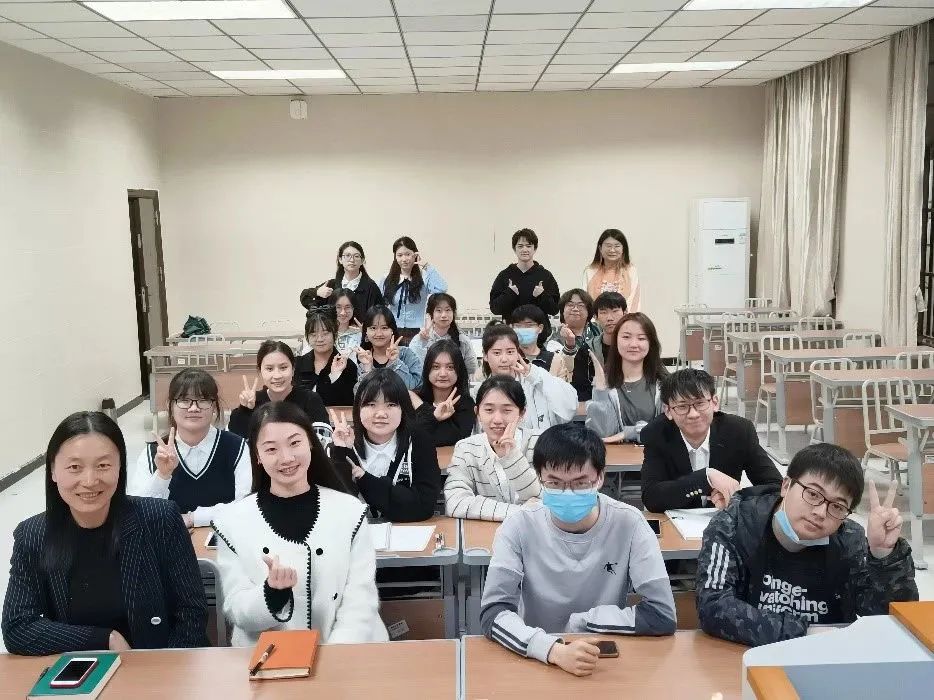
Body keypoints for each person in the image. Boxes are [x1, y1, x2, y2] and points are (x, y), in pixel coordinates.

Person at [2, 412, 207, 656]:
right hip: (83, 672)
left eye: (103, 465)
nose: (90, 481)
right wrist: (104, 639)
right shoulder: (33, 535)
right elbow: (17, 627)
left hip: (163, 667)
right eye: (75, 467)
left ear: (120, 467)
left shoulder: (160, 519)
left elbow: (192, 613)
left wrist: (157, 669)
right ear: (53, 471)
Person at [479, 423, 676, 675]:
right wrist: (552, 649)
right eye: (554, 483)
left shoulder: (630, 523)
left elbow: (662, 613)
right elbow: (493, 612)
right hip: (533, 653)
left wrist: (584, 620)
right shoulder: (518, 525)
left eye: (580, 483)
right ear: (539, 477)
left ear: (600, 477)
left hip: (600, 654)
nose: (567, 493)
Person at [697, 443, 918, 647]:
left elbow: (889, 622)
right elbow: (713, 606)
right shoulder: (735, 524)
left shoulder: (850, 540)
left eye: (837, 506)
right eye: (813, 494)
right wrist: (803, 634)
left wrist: (883, 557)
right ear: (786, 486)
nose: (820, 512)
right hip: (746, 657)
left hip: (827, 660)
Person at [212, 401, 387, 647]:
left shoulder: (350, 512)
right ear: (257, 456)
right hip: (269, 658)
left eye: (295, 443)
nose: (286, 458)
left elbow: (360, 600)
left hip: (348, 653)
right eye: (271, 449)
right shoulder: (232, 522)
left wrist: (336, 657)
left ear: (312, 443)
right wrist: (271, 594)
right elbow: (236, 608)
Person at [640, 369, 782, 514]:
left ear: (714, 403)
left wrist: (737, 499)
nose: (693, 414)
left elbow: (776, 488)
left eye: (700, 403)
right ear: (668, 411)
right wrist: (706, 477)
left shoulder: (738, 431)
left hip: (725, 521)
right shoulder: (656, 433)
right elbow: (651, 497)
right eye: (682, 406)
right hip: (674, 523)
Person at [130, 368, 250, 527]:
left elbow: (246, 505)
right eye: (184, 400)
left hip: (223, 537)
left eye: (203, 400)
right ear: (170, 405)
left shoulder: (237, 447)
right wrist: (162, 475)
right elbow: (138, 512)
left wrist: (194, 518)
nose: (194, 408)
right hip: (169, 539)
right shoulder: (153, 454)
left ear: (214, 406)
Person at [329, 370, 441, 522]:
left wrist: (365, 479)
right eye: (371, 404)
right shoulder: (341, 444)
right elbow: (338, 508)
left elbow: (424, 506)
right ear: (358, 408)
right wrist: (341, 453)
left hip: (406, 533)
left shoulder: (419, 442)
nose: (381, 413)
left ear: (403, 409)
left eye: (391, 404)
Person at [444, 375, 542, 521]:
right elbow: (455, 502)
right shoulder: (466, 448)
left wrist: (511, 458)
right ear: (477, 413)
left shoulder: (539, 442)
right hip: (488, 532)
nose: (497, 420)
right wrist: (519, 512)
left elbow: (546, 498)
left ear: (522, 413)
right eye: (489, 410)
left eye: (507, 410)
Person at [586, 313, 668, 444]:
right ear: (616, 341)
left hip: (656, 454)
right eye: (626, 337)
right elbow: (602, 435)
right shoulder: (604, 383)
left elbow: (670, 430)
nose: (633, 344)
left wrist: (630, 432)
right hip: (614, 456)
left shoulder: (664, 384)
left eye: (641, 338)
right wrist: (600, 392)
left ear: (650, 343)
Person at [481, 324, 578, 431]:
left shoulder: (537, 379)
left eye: (510, 352)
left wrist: (536, 376)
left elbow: (570, 408)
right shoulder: (479, 391)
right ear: (485, 355)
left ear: (518, 353)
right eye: (497, 353)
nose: (504, 359)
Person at [229, 341, 328, 439]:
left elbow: (323, 440)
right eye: (269, 369)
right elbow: (236, 441)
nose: (277, 375)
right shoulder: (253, 401)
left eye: (283, 368)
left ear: (293, 369)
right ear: (260, 371)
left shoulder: (310, 400)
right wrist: (245, 409)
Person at [379, 236, 447, 342]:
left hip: (418, 332)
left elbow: (442, 289)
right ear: (395, 257)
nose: (404, 259)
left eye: (408, 254)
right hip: (392, 330)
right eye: (400, 255)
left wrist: (427, 266)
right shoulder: (387, 279)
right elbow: (379, 304)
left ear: (415, 255)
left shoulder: (424, 277)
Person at [411, 339, 476, 447]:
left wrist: (423, 408)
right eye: (436, 367)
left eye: (450, 367)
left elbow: (454, 439)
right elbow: (409, 436)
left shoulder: (466, 403)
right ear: (427, 369)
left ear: (459, 371)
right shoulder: (413, 399)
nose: (443, 374)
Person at [299, 241, 384, 319]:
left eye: (356, 256)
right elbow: (305, 298)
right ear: (340, 259)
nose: (352, 260)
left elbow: (380, 316)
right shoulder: (331, 285)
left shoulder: (371, 287)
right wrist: (317, 292)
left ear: (362, 260)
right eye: (347, 255)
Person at [489, 228, 560, 320]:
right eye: (520, 246)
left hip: (539, 328)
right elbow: (495, 309)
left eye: (528, 246)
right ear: (514, 249)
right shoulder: (504, 275)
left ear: (535, 249)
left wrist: (542, 295)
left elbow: (554, 310)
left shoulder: (546, 275)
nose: (524, 249)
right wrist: (509, 293)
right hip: (512, 328)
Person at [546, 289, 600, 402]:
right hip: (570, 396)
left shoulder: (599, 331)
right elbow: (560, 370)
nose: (575, 309)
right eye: (570, 305)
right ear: (562, 311)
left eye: (581, 305)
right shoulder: (554, 339)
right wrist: (569, 344)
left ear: (589, 311)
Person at [295, 309, 358, 406]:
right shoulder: (298, 364)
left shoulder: (348, 366)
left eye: (325, 333)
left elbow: (347, 403)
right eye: (313, 334)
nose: (319, 339)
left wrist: (334, 376)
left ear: (335, 334)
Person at [408, 292, 479, 377]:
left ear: (453, 313)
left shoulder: (463, 340)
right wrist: (422, 341)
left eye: (448, 310)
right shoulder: (420, 339)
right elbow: (414, 367)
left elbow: (471, 368)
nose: (444, 315)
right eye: (439, 310)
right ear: (430, 314)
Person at [355, 305, 423, 390]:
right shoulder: (364, 359)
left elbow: (415, 386)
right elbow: (359, 394)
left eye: (384, 328)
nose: (379, 334)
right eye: (373, 328)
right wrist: (367, 370)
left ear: (392, 330)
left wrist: (395, 362)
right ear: (366, 332)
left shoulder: (406, 354)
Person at [583, 229, 641, 312]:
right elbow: (585, 301)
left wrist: (626, 319)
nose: (612, 250)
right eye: (608, 246)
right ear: (600, 248)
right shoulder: (590, 271)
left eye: (617, 246)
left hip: (625, 318)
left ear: (623, 249)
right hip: (596, 318)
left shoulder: (631, 271)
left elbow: (634, 301)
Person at [510, 304, 568, 380]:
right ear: (512, 328)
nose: (524, 329)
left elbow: (562, 386)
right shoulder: (509, 358)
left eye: (529, 325)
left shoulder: (555, 360)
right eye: (518, 326)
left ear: (540, 328)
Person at [333, 288, 364, 358]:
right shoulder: (325, 333)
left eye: (347, 307)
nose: (343, 312)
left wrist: (365, 336)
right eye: (338, 307)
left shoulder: (360, 333)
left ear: (353, 308)